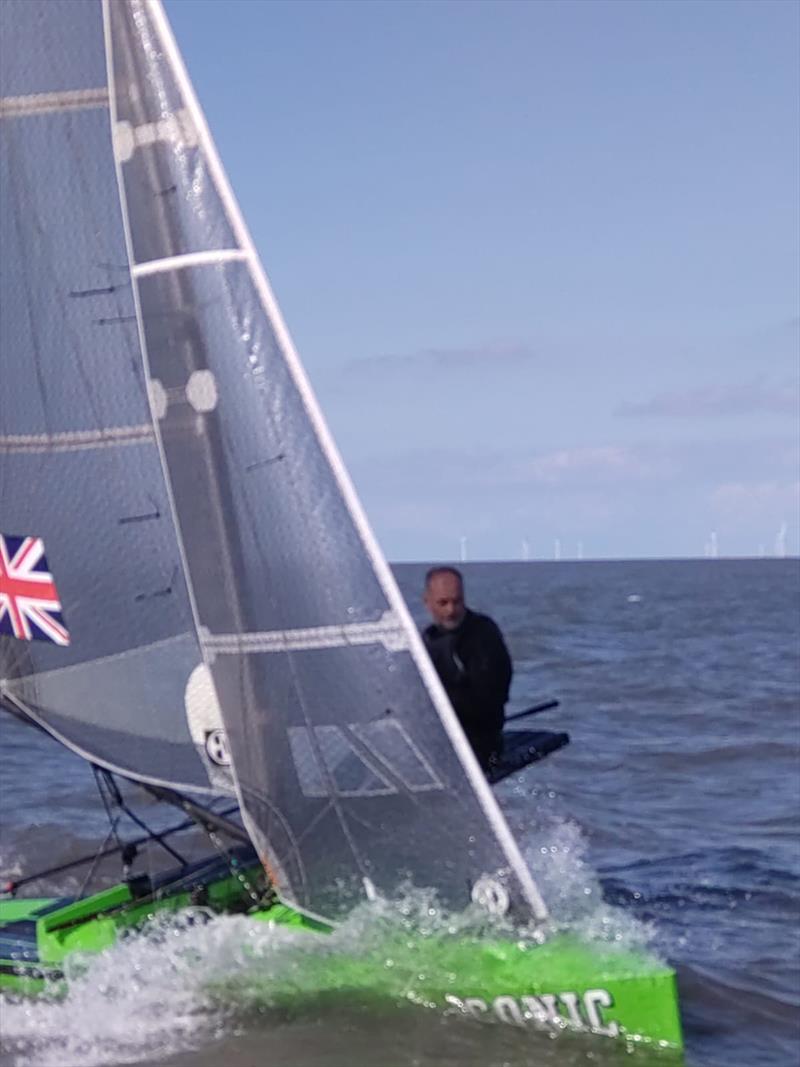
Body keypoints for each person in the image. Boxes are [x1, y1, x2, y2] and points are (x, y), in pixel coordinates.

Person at [421, 566, 512, 770]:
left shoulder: (482, 634)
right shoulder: (428, 639)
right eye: (443, 603)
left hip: (479, 743)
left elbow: (490, 698)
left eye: (457, 601)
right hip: (439, 739)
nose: (451, 611)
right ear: (427, 602)